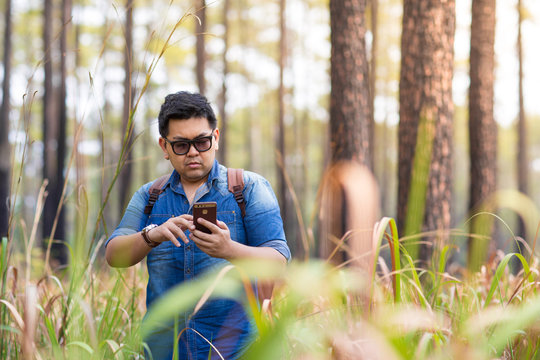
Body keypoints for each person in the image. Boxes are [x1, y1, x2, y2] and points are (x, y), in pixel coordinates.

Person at [105, 91, 290, 359]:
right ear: (164, 147)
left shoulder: (248, 188)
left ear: (215, 138)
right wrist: (151, 235)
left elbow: (278, 261)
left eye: (201, 142)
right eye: (180, 145)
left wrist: (229, 249)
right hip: (162, 350)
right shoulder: (149, 196)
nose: (193, 152)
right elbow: (114, 255)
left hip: (235, 350)